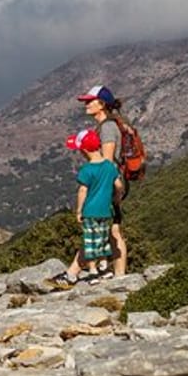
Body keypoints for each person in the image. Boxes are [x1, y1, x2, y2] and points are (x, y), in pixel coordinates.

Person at [52, 128, 120, 285]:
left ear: (84, 150)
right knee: (103, 238)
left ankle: (92, 271)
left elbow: (83, 190)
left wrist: (79, 210)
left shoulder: (87, 169)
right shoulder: (109, 167)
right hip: (105, 211)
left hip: (90, 211)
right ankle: (104, 267)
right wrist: (116, 198)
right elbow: (118, 185)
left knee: (90, 242)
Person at [77, 84, 129, 275]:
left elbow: (106, 164)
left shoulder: (107, 129)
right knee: (113, 230)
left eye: (90, 102)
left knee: (109, 230)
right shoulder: (106, 125)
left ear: (102, 104)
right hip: (114, 183)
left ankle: (72, 273)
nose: (86, 105)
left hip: (111, 185)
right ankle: (119, 275)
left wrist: (97, 190)